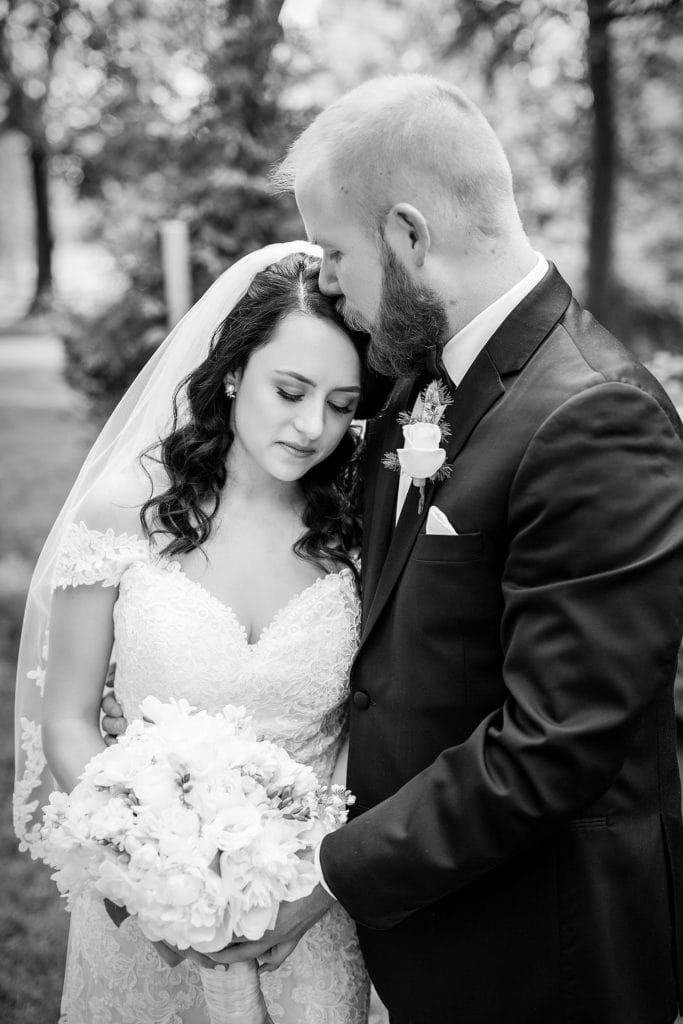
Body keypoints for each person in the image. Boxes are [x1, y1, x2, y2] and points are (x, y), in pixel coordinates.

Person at [156, 75, 683, 1024]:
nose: (320, 280)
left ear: (407, 234)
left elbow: (554, 744)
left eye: (334, 251)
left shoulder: (594, 414)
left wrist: (324, 873)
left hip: (539, 954)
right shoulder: (420, 381)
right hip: (426, 933)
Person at [14, 242, 373, 1024]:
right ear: (236, 370)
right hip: (152, 908)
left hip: (309, 905)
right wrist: (156, 868)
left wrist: (305, 879)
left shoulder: (361, 533)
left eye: (343, 404)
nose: (313, 426)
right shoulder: (124, 512)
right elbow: (70, 719)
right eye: (290, 389)